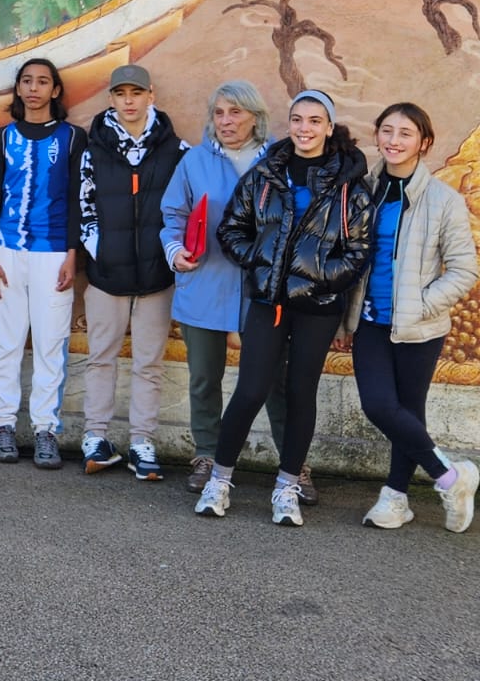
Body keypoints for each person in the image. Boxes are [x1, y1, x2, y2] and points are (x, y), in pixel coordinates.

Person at [194, 89, 372, 526]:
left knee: (299, 394)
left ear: (329, 127)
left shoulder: (348, 184)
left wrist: (318, 278)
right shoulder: (266, 173)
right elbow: (232, 228)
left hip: (317, 306)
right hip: (267, 303)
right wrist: (260, 262)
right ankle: (220, 479)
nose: (304, 129)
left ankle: (287, 486)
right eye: (297, 120)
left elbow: (359, 248)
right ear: (287, 123)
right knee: (251, 390)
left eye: (314, 121)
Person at [336, 103, 479, 533]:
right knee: (379, 405)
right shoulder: (361, 190)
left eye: (405, 133)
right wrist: (346, 320)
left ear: (425, 143)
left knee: (408, 411)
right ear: (377, 135)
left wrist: (421, 303)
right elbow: (349, 259)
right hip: (370, 322)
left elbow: (464, 269)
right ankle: (452, 477)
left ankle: (396, 499)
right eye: (387, 131)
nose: (394, 141)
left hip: (420, 326)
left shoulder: (443, 201)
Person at [161, 81, 300, 497]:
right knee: (205, 377)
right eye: (219, 113)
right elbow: (172, 216)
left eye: (235, 112)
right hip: (204, 282)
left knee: (275, 379)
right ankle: (207, 454)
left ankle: (293, 464)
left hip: (263, 289)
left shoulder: (280, 161)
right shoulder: (194, 162)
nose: (226, 121)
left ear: (255, 117)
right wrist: (175, 252)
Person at [77, 65, 186, 482]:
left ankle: (142, 441)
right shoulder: (93, 148)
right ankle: (96, 439)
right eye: (120, 93)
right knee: (101, 358)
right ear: (111, 98)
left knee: (148, 363)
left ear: (150, 95)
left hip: (157, 277)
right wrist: (97, 248)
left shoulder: (178, 150)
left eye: (136, 93)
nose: (128, 100)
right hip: (107, 274)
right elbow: (83, 203)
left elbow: (186, 207)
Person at [0, 58, 87, 469]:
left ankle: (46, 430)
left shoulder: (74, 137)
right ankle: (3, 425)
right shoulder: (2, 137)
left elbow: (81, 197)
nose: (34, 88)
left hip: (54, 252)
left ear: (55, 91)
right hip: (6, 250)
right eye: (26, 81)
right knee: (3, 342)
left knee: (50, 343)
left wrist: (73, 254)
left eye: (43, 82)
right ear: (18, 88)